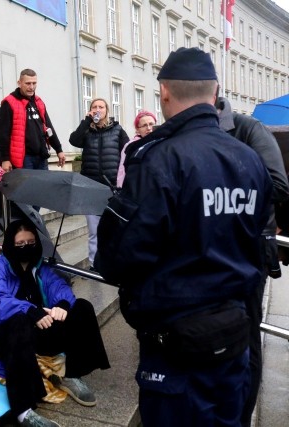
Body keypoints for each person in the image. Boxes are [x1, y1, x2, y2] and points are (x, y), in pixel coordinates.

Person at [95, 47, 273, 427]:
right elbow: (259, 239)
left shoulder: (160, 160)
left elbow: (117, 257)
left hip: (176, 347)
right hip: (233, 337)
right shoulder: (248, 159)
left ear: (163, 93)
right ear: (215, 92)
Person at [0, 219, 110, 427]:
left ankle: (70, 374)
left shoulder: (40, 266)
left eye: (30, 242)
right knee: (19, 322)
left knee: (81, 307)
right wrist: (29, 310)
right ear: (10, 244)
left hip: (39, 329)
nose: (26, 248)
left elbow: (58, 286)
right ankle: (23, 411)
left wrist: (62, 304)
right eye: (19, 244)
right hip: (6, 334)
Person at [216, 95, 289, 427]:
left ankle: (241, 416)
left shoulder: (249, 129)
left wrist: (219, 189)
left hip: (247, 250)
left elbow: (277, 185)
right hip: (209, 251)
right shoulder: (189, 134)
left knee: (246, 335)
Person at [68, 98, 129, 271]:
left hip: (111, 188)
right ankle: (94, 263)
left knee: (113, 228)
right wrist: (86, 121)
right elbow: (74, 141)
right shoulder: (86, 131)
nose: (97, 109)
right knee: (94, 229)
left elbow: (127, 151)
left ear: (107, 111)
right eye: (94, 107)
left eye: (101, 107)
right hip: (90, 186)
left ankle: (113, 260)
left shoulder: (117, 130)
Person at [0, 69, 66, 172]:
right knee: (27, 188)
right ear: (19, 83)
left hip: (41, 157)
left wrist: (59, 149)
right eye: (28, 83)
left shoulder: (39, 102)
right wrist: (5, 159)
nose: (32, 87)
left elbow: (48, 127)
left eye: (34, 83)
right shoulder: (10, 102)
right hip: (24, 159)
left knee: (43, 188)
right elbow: (3, 134)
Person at [116, 110, 156, 188]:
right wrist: (120, 188)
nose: (148, 128)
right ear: (137, 129)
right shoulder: (130, 146)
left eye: (151, 124)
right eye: (144, 125)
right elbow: (122, 170)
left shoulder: (162, 142)